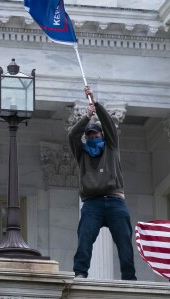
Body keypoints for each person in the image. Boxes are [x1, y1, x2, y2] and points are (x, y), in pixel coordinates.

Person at [69, 86, 136, 280]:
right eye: (89, 136)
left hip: (115, 201)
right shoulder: (81, 152)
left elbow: (109, 126)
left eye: (96, 136)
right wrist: (86, 117)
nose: (93, 139)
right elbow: (72, 135)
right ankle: (80, 272)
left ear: (101, 136)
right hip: (92, 203)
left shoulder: (111, 147)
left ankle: (129, 278)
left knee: (124, 241)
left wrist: (95, 104)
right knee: (85, 239)